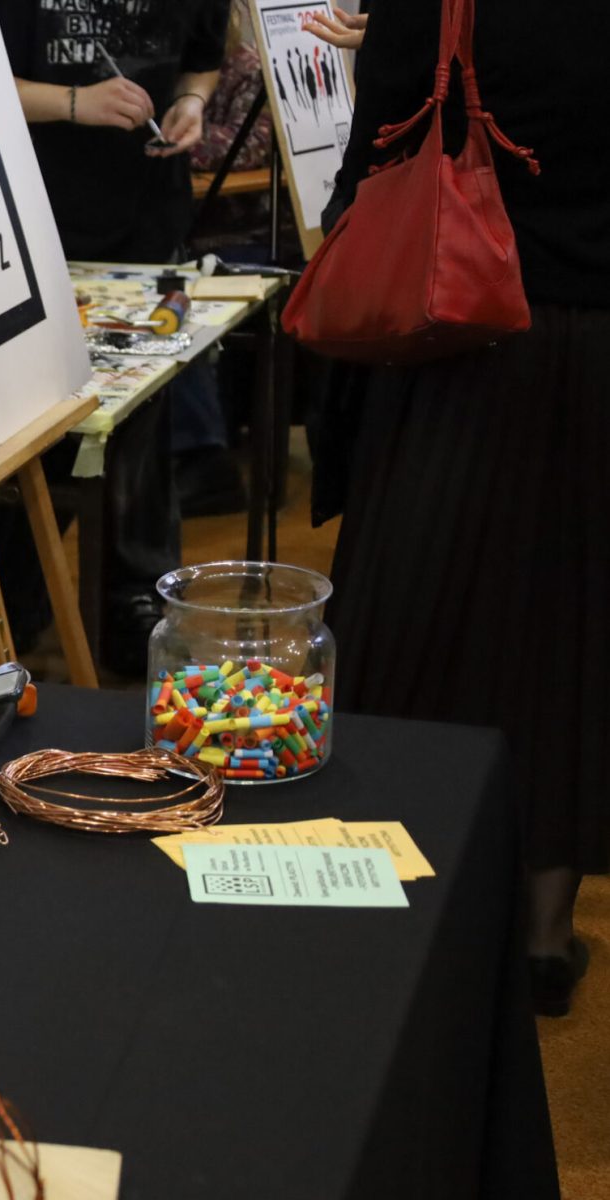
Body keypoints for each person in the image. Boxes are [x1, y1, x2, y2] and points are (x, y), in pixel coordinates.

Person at [316, 0, 605, 1016]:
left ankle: (395, 912)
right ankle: (542, 938)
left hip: (458, 331)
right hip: (597, 346)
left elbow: (376, 151)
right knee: (573, 643)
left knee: (420, 626)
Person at [0, 0, 239, 674]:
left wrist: (190, 103)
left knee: (141, 429)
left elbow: (201, 61)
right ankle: (10, 605)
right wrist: (74, 102)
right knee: (32, 433)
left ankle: (132, 607)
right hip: (37, 224)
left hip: (149, 225)